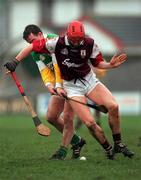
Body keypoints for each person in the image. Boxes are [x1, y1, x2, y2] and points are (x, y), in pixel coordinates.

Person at [44, 20, 134, 159]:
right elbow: (34, 47)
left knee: (114, 106)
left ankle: (118, 144)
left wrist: (110, 65)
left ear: (83, 36)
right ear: (68, 34)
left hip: (90, 81)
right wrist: (16, 61)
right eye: (73, 39)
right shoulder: (55, 43)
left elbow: (97, 62)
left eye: (79, 39)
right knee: (90, 123)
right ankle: (108, 149)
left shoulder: (90, 43)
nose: (76, 42)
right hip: (72, 88)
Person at [4, 24, 86, 160]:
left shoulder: (54, 41)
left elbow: (57, 65)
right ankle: (77, 141)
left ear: (41, 34)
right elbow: (44, 70)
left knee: (68, 118)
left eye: (33, 41)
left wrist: (58, 85)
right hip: (59, 84)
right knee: (51, 116)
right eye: (30, 43)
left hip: (72, 80)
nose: (33, 45)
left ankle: (63, 151)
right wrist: (49, 86)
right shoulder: (35, 53)